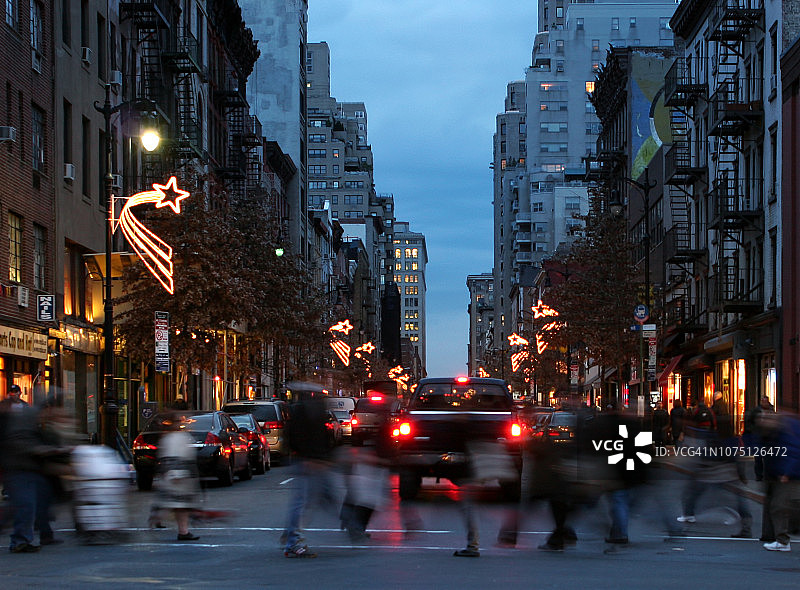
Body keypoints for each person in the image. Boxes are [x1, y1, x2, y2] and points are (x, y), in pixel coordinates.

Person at [0, 386, 64, 552]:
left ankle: (27, 537)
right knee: (25, 505)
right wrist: (44, 450)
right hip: (19, 469)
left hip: (27, 469)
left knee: (28, 504)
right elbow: (22, 445)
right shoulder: (22, 424)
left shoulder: (27, 420)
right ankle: (21, 540)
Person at [282, 389, 338, 558]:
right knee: (304, 501)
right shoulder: (309, 413)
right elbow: (307, 437)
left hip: (309, 460)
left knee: (305, 501)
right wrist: (312, 458)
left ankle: (291, 536)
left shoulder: (303, 411)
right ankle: (293, 541)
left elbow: (296, 436)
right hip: (308, 462)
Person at [155, 415, 201, 541]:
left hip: (170, 474)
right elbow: (189, 458)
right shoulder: (184, 437)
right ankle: (183, 531)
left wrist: (163, 473)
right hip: (182, 475)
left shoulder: (166, 438)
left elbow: (162, 457)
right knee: (182, 505)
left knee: (174, 502)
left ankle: (158, 516)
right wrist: (194, 477)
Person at [763, 413, 800, 551]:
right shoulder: (784, 430)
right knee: (782, 506)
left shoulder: (787, 430)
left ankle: (783, 541)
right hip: (786, 474)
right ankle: (782, 540)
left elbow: (793, 452)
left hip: (788, 476)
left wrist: (787, 473)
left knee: (779, 507)